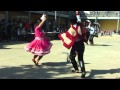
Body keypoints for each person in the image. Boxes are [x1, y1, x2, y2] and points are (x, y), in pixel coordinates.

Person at [58, 11, 86, 78]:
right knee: (80, 58)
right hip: (81, 44)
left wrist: (61, 35)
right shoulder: (80, 24)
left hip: (75, 46)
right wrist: (77, 12)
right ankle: (83, 71)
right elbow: (78, 17)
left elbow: (67, 38)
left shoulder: (70, 30)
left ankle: (76, 69)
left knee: (71, 57)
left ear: (70, 22)